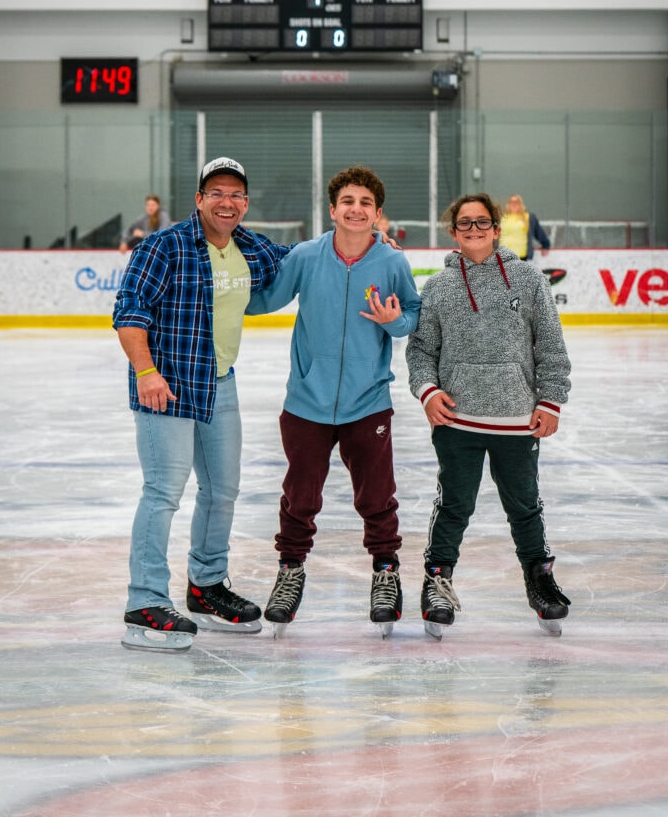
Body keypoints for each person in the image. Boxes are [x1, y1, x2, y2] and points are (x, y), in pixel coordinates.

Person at [113, 157, 290, 653]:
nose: (227, 202)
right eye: (217, 192)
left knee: (222, 491)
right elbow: (129, 312)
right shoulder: (162, 247)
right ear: (199, 199)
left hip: (219, 383)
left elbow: (299, 258)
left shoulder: (249, 246)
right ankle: (144, 601)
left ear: (246, 203)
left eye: (236, 194)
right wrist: (146, 372)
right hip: (166, 385)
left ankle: (205, 588)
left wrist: (368, 244)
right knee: (163, 492)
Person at [246, 166, 422, 636]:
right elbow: (263, 299)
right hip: (307, 400)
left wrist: (393, 322)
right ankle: (290, 571)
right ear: (333, 209)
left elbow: (413, 315)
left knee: (377, 495)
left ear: (378, 214)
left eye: (365, 202)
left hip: (369, 400)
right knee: (300, 496)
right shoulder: (306, 256)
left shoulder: (391, 263)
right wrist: (219, 281)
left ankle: (386, 572)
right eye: (348, 201)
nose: (356, 209)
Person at [406, 192, 572, 639]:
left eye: (482, 223)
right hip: (457, 421)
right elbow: (421, 351)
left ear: (497, 229)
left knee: (524, 506)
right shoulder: (438, 288)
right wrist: (427, 392)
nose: (474, 230)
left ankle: (539, 580)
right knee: (454, 505)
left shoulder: (528, 279)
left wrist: (550, 400)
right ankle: (437, 581)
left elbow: (551, 347)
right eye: (465, 224)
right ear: (453, 232)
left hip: (518, 421)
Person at [499, 194, 550, 261]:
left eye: (517, 202)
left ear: (521, 204)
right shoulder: (502, 217)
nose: (514, 204)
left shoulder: (528, 217)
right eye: (511, 202)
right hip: (502, 257)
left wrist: (545, 245)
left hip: (521, 257)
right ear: (508, 204)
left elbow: (539, 232)